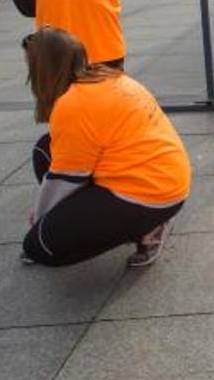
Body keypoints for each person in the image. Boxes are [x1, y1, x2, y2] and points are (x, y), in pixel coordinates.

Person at [20, 27, 189, 267]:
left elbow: (65, 178)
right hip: (168, 184)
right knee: (44, 149)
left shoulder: (73, 104)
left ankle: (147, 228)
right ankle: (143, 225)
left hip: (146, 194)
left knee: (39, 247)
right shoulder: (110, 77)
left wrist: (40, 219)